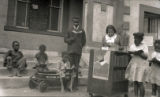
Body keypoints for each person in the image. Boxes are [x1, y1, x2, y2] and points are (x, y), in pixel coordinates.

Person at [64, 17, 86, 90]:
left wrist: (79, 45)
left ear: (79, 23)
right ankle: (68, 85)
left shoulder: (82, 30)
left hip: (78, 52)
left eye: (77, 22)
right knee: (69, 68)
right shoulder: (69, 29)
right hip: (70, 52)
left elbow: (84, 41)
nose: (76, 24)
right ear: (73, 22)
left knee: (76, 69)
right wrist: (71, 39)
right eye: (74, 22)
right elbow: (65, 40)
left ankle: (75, 86)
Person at [125, 32, 149, 97]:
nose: (135, 40)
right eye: (134, 38)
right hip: (134, 65)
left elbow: (145, 57)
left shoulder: (144, 46)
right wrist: (130, 53)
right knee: (135, 81)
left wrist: (139, 53)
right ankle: (136, 95)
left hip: (141, 66)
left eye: (137, 38)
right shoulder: (132, 46)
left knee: (140, 82)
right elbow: (130, 55)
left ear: (141, 39)